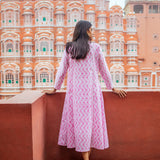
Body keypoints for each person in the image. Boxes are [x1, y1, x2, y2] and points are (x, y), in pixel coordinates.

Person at [42, 20, 127, 160]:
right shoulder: (96, 48)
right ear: (86, 31)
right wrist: (112, 87)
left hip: (75, 93)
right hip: (91, 92)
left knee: (81, 126)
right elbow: (104, 69)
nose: (93, 32)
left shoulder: (70, 48)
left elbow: (62, 70)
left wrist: (55, 88)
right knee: (91, 125)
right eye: (91, 30)